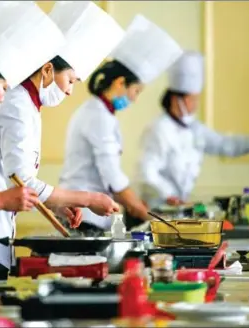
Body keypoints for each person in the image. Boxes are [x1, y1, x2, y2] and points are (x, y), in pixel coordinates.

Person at [0, 1, 123, 278]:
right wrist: (88, 198)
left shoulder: (26, 104)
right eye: (71, 80)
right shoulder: (16, 103)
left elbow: (17, 182)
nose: (71, 91)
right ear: (47, 70)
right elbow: (23, 179)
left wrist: (57, 204)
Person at [132, 51, 249, 228]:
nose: (196, 105)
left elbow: (226, 145)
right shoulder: (158, 129)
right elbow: (146, 172)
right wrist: (169, 194)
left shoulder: (195, 129)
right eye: (193, 99)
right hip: (152, 214)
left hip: (175, 212)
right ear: (177, 100)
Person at [58, 15, 183, 235]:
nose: (135, 99)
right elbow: (113, 178)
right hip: (83, 217)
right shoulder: (97, 116)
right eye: (136, 91)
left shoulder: (101, 112)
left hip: (91, 214)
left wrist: (138, 204)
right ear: (120, 83)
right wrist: (154, 219)